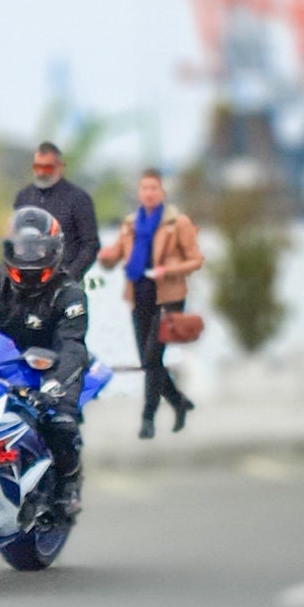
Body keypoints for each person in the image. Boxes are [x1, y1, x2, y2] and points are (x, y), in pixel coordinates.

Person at [0, 206, 92, 514]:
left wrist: (55, 383)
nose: (29, 255)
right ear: (9, 247)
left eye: (38, 247)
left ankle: (68, 482)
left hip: (49, 370)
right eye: (22, 247)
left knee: (61, 422)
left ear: (54, 250)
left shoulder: (68, 294)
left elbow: (72, 345)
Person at [100, 168, 201, 437]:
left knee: (152, 356)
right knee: (149, 362)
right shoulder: (131, 224)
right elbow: (116, 255)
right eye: (144, 188)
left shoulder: (177, 223)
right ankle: (179, 402)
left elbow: (195, 260)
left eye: (154, 188)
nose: (149, 193)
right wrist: (104, 255)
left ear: (162, 192)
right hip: (140, 296)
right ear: (138, 192)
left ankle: (148, 418)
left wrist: (168, 269)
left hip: (169, 298)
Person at [13, 139, 101, 284]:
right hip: (27, 282)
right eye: (37, 167)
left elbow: (90, 244)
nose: (41, 172)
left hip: (63, 280)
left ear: (60, 167)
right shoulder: (24, 197)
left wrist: (70, 276)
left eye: (47, 168)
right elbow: (15, 238)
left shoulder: (78, 199)